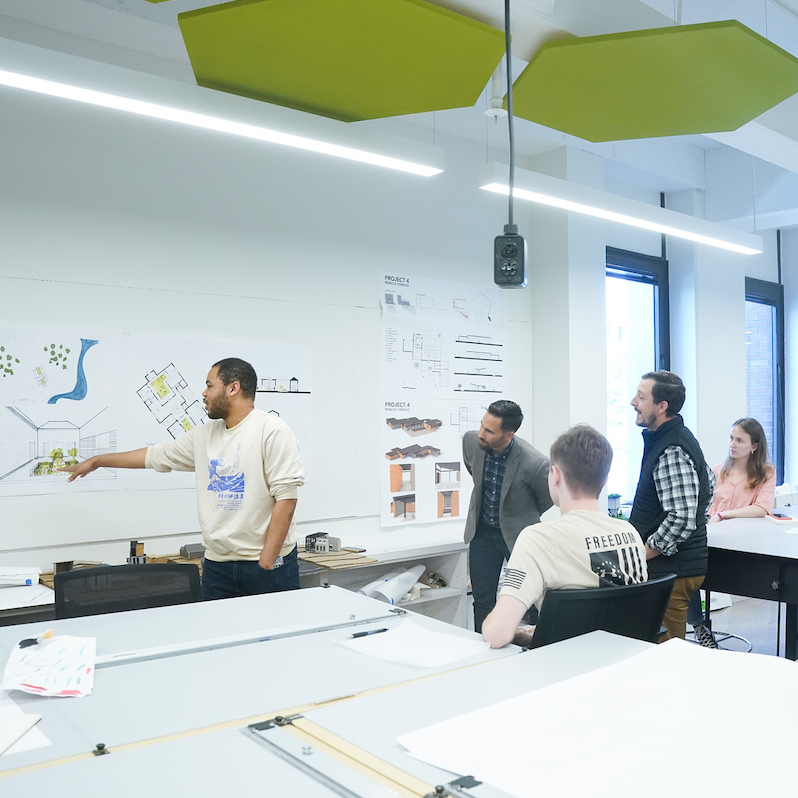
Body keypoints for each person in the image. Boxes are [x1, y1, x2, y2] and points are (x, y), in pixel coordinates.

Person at [60, 358, 304, 600]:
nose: (204, 393)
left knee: (271, 636)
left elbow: (286, 500)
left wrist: (267, 561)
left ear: (233, 388)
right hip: (218, 566)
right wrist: (99, 460)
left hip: (266, 566)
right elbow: (156, 455)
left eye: (210, 385)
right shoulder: (205, 435)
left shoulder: (272, 430)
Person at [481, 424, 647, 648]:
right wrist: (547, 630)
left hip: (564, 671)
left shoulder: (537, 539)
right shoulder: (630, 534)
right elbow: (616, 618)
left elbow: (497, 634)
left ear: (555, 474)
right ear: (605, 479)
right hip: (624, 665)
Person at [629, 370, 715, 642]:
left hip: (672, 571)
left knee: (668, 656)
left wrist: (644, 552)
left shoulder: (672, 448)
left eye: (641, 397)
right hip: (675, 568)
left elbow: (682, 518)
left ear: (661, 406)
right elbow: (708, 484)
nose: (633, 401)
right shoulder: (674, 437)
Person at [463, 400, 553, 633]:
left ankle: (536, 647)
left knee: (533, 599)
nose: (481, 434)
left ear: (508, 435)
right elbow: (473, 469)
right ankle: (481, 650)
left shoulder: (535, 462)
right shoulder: (471, 442)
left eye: (489, 431)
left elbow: (546, 498)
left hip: (519, 536)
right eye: (482, 426)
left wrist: (518, 517)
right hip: (482, 533)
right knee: (482, 600)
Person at [688, 417, 776, 645]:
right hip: (713, 536)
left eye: (739, 440)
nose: (732, 444)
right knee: (686, 568)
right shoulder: (719, 470)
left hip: (744, 543)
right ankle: (699, 627)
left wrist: (724, 515)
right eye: (731, 438)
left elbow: (762, 508)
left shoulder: (766, 472)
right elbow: (703, 503)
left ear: (754, 446)